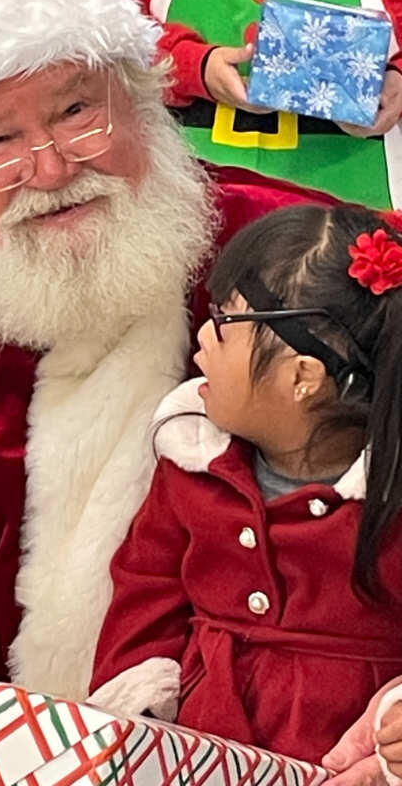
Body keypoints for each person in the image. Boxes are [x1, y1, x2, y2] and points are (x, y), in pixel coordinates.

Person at [0, 0, 326, 703]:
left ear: (143, 104)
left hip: (281, 735)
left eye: (78, 112)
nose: (50, 172)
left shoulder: (298, 250)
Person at [89, 203, 402, 764]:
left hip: (343, 755)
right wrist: (134, 705)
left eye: (226, 324)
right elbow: (146, 581)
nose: (203, 338)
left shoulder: (389, 497)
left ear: (301, 377)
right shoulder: (192, 460)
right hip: (196, 740)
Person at [140, 0, 402, 208]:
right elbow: (116, 33)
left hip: (355, 177)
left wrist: (398, 80)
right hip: (185, 183)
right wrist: (193, 65)